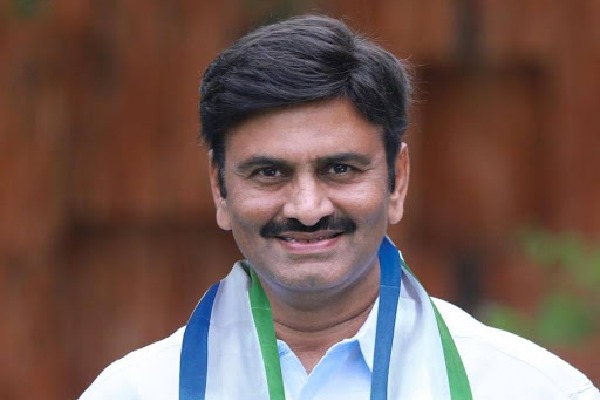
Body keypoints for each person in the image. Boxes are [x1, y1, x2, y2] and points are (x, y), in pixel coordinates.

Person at [80, 14, 599, 400]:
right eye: (269, 173)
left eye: (340, 169)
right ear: (219, 189)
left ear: (397, 180)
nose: (307, 209)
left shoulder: (531, 389)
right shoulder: (133, 391)